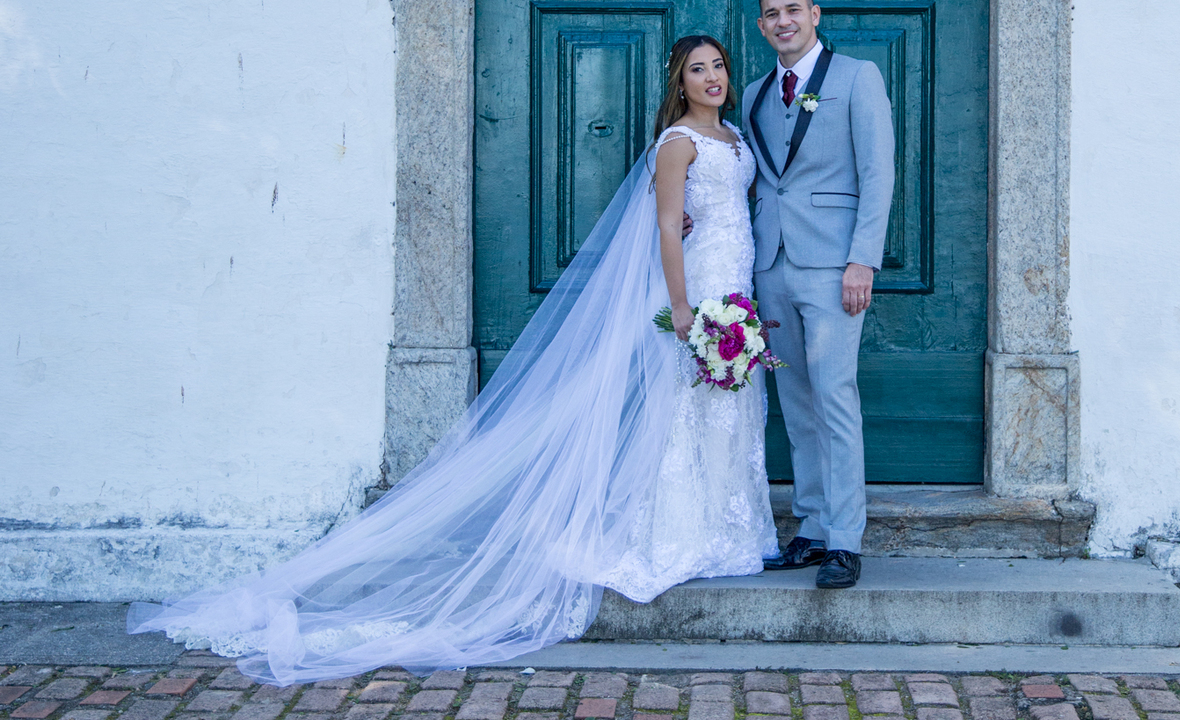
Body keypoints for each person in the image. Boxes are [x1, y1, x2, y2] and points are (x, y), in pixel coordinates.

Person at [128, 35, 776, 682]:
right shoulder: (678, 143)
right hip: (699, 287)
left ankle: (730, 529)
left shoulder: (735, 137)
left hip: (736, 280)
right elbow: (665, 225)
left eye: (718, 66)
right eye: (697, 70)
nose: (712, 77)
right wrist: (682, 305)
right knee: (685, 410)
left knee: (729, 407)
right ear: (679, 82)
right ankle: (680, 534)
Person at [743, 0, 895, 590]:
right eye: (773, 14)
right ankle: (810, 527)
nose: (784, 21)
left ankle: (844, 540)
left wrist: (864, 260)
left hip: (835, 266)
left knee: (835, 396)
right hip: (772, 264)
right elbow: (756, 178)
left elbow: (878, 173)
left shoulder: (857, 77)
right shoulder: (753, 93)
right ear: (762, 26)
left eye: (794, 10)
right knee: (796, 401)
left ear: (815, 14)